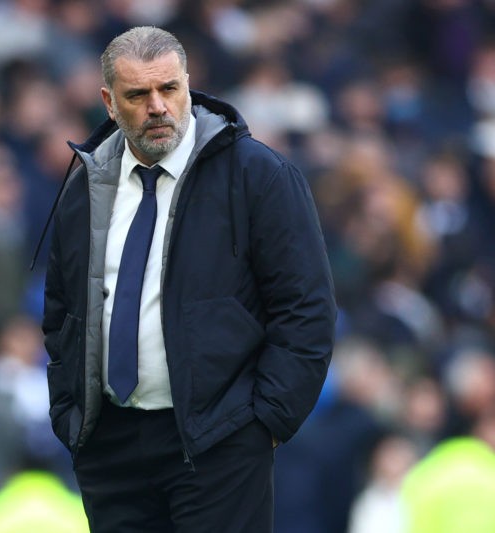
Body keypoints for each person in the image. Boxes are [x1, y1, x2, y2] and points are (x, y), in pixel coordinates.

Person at [41, 26, 336, 532]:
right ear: (109, 103)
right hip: (111, 448)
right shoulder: (84, 186)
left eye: (169, 89)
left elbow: (306, 309)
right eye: (138, 94)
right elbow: (61, 310)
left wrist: (262, 423)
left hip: (220, 445)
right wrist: (72, 414)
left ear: (188, 85)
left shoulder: (258, 176)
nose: (158, 106)